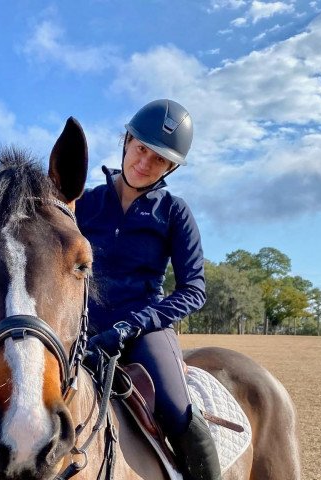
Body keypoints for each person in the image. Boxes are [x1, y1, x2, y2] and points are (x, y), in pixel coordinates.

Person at [75, 99, 221, 480]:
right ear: (127, 141)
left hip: (143, 330)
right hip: (82, 329)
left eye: (158, 159)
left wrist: (131, 327)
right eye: (141, 148)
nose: (144, 163)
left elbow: (193, 289)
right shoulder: (85, 205)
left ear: (170, 167)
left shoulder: (174, 212)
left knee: (178, 411)